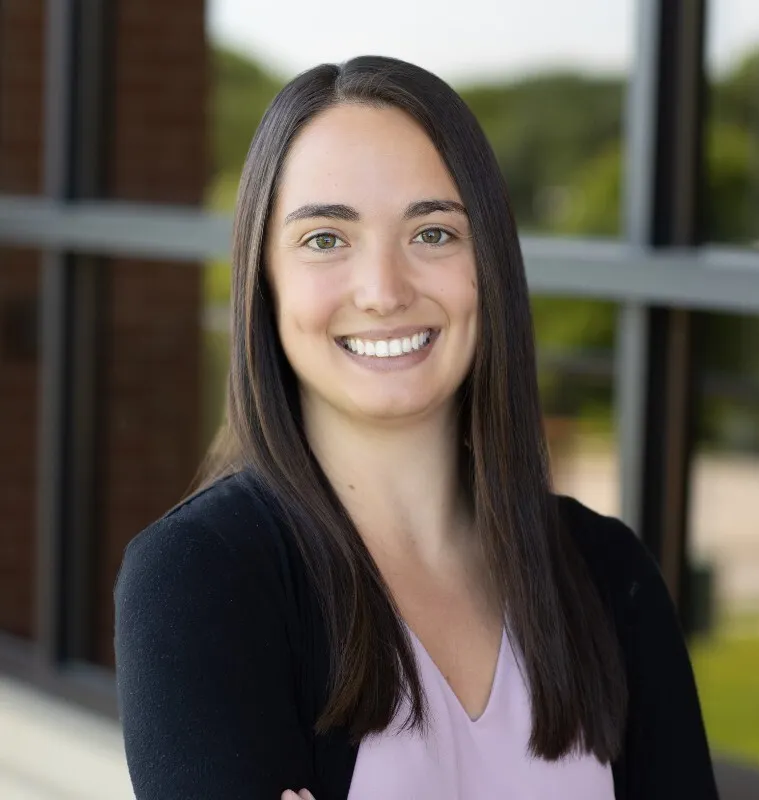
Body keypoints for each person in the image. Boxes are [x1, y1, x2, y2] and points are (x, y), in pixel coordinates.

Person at [113, 56, 719, 800]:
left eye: (433, 234)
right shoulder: (200, 580)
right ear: (264, 281)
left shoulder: (609, 575)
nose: (383, 291)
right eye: (326, 239)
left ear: (488, 267)